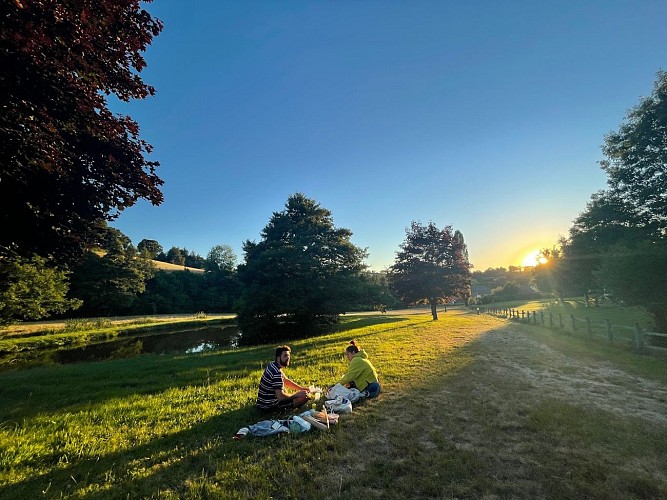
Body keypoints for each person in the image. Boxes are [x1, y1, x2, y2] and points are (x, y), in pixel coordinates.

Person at [256, 345, 310, 412]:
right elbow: (281, 397)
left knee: (284, 387)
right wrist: (296, 395)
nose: (288, 358)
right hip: (269, 406)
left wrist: (301, 388)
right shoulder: (276, 373)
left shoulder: (272, 365)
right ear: (278, 358)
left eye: (289, 356)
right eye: (285, 356)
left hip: (262, 403)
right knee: (305, 397)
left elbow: (285, 380)